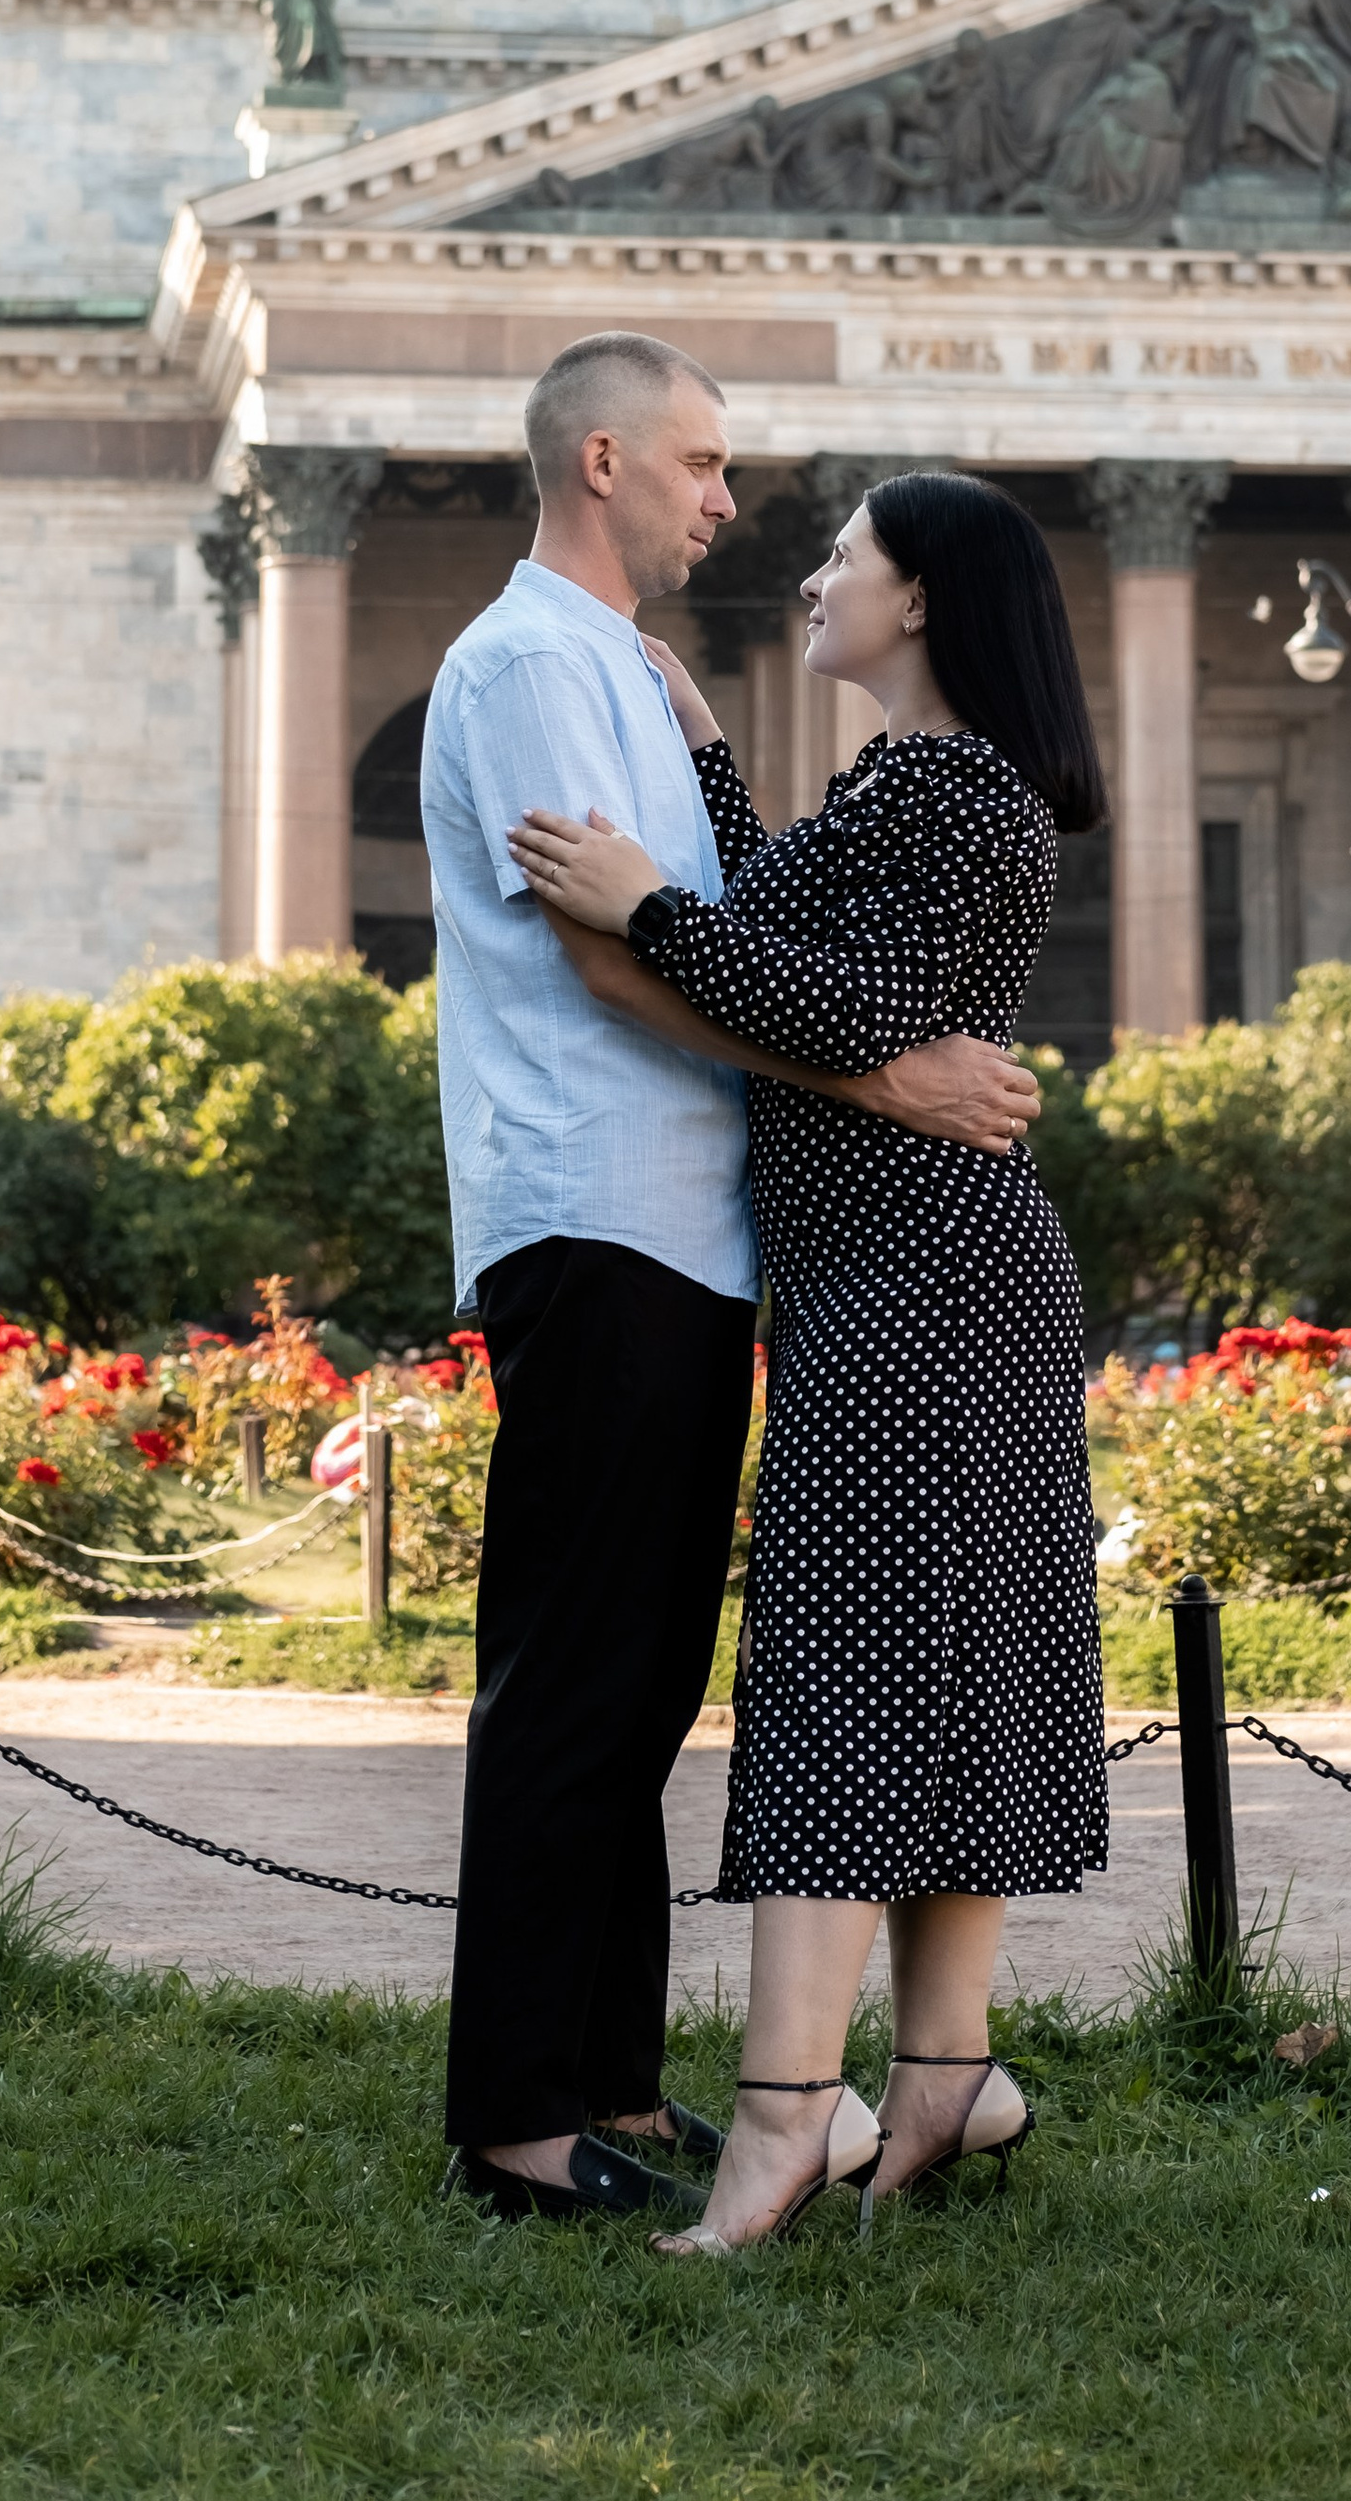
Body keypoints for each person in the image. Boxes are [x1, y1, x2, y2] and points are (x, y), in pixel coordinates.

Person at [423, 336, 1042, 2224]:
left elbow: (725, 925)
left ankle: (605, 2072)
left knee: (634, 1682)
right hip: (597, 1212)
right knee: (570, 1684)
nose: (728, 500)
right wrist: (896, 1076)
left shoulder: (625, 673)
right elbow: (619, 965)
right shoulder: (531, 659)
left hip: (686, 1233)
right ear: (599, 459)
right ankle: (521, 2122)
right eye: (699, 464)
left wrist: (705, 758)